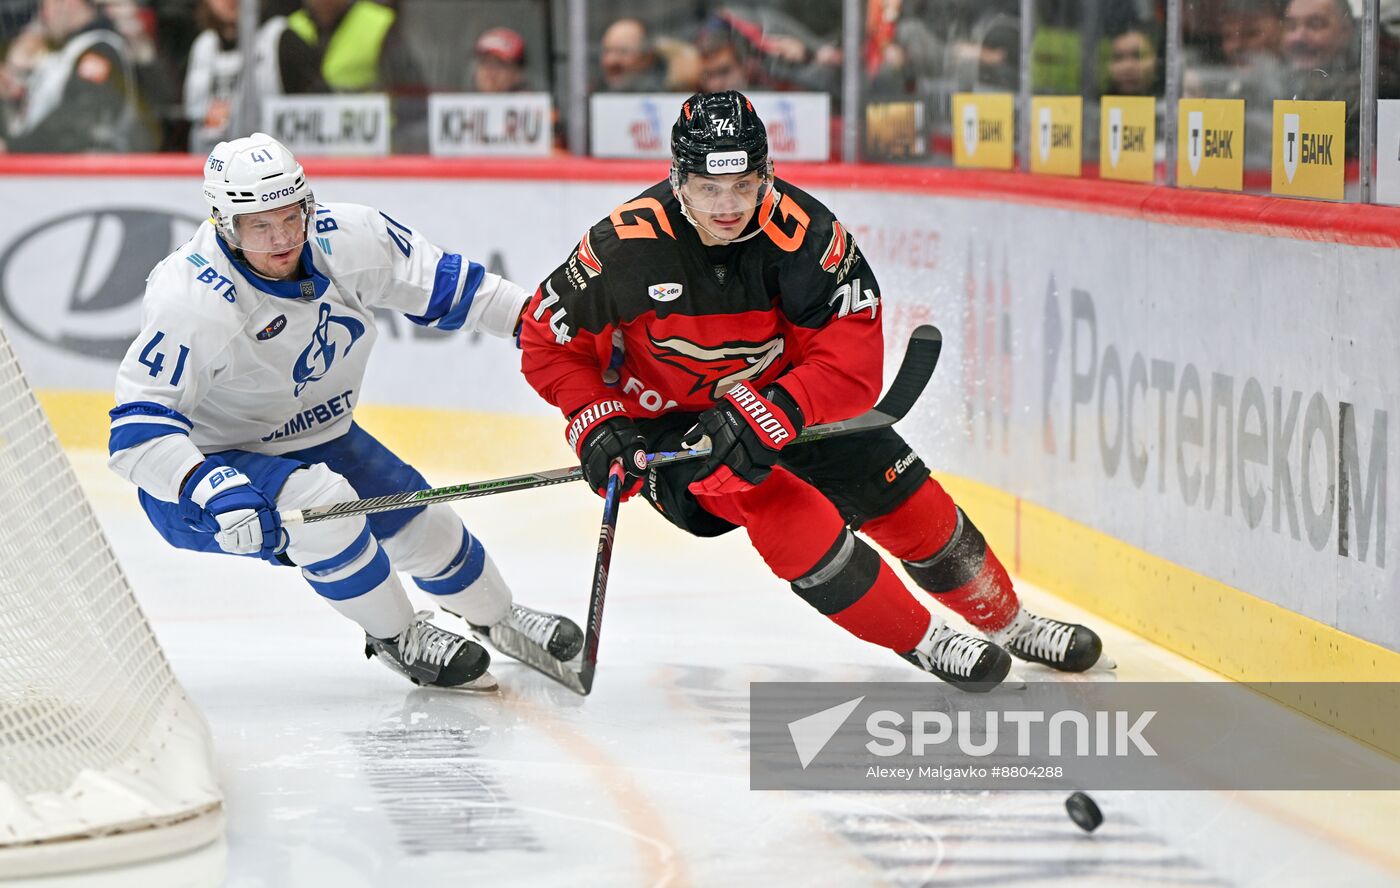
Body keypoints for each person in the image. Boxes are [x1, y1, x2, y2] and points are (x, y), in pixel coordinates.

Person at [518, 92, 1106, 692]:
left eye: (744, 185)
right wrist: (597, 421)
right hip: (673, 428)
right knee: (771, 499)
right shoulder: (623, 246)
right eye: (708, 188)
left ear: (765, 175)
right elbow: (545, 338)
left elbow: (853, 358)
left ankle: (1010, 622)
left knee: (899, 490)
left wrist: (776, 408)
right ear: (678, 179)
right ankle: (926, 640)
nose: (728, 206)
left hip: (788, 401)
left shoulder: (805, 234)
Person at [108, 133, 581, 691]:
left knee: (426, 526)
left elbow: (463, 291)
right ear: (223, 223)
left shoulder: (352, 236)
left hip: (324, 436)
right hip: (212, 467)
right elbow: (136, 435)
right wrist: (210, 488)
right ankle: (398, 635)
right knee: (324, 506)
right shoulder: (193, 299)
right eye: (259, 226)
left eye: (291, 216)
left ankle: (498, 618)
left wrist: (566, 335)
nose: (283, 239)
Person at [0, 0, 154, 151]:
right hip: (61, 170)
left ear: (69, 3)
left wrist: (14, 148)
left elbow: (77, 121)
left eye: (45, 5)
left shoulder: (101, 48)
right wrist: (13, 91)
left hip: (93, 171)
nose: (42, 14)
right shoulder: (69, 53)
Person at [598, 17, 665, 92]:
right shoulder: (593, 93)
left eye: (622, 52)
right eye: (607, 51)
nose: (611, 61)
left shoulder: (669, 96)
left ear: (647, 58)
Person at [471, 25, 525, 93]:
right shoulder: (462, 100)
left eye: (499, 64)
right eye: (484, 62)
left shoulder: (532, 101)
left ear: (517, 73)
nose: (489, 71)